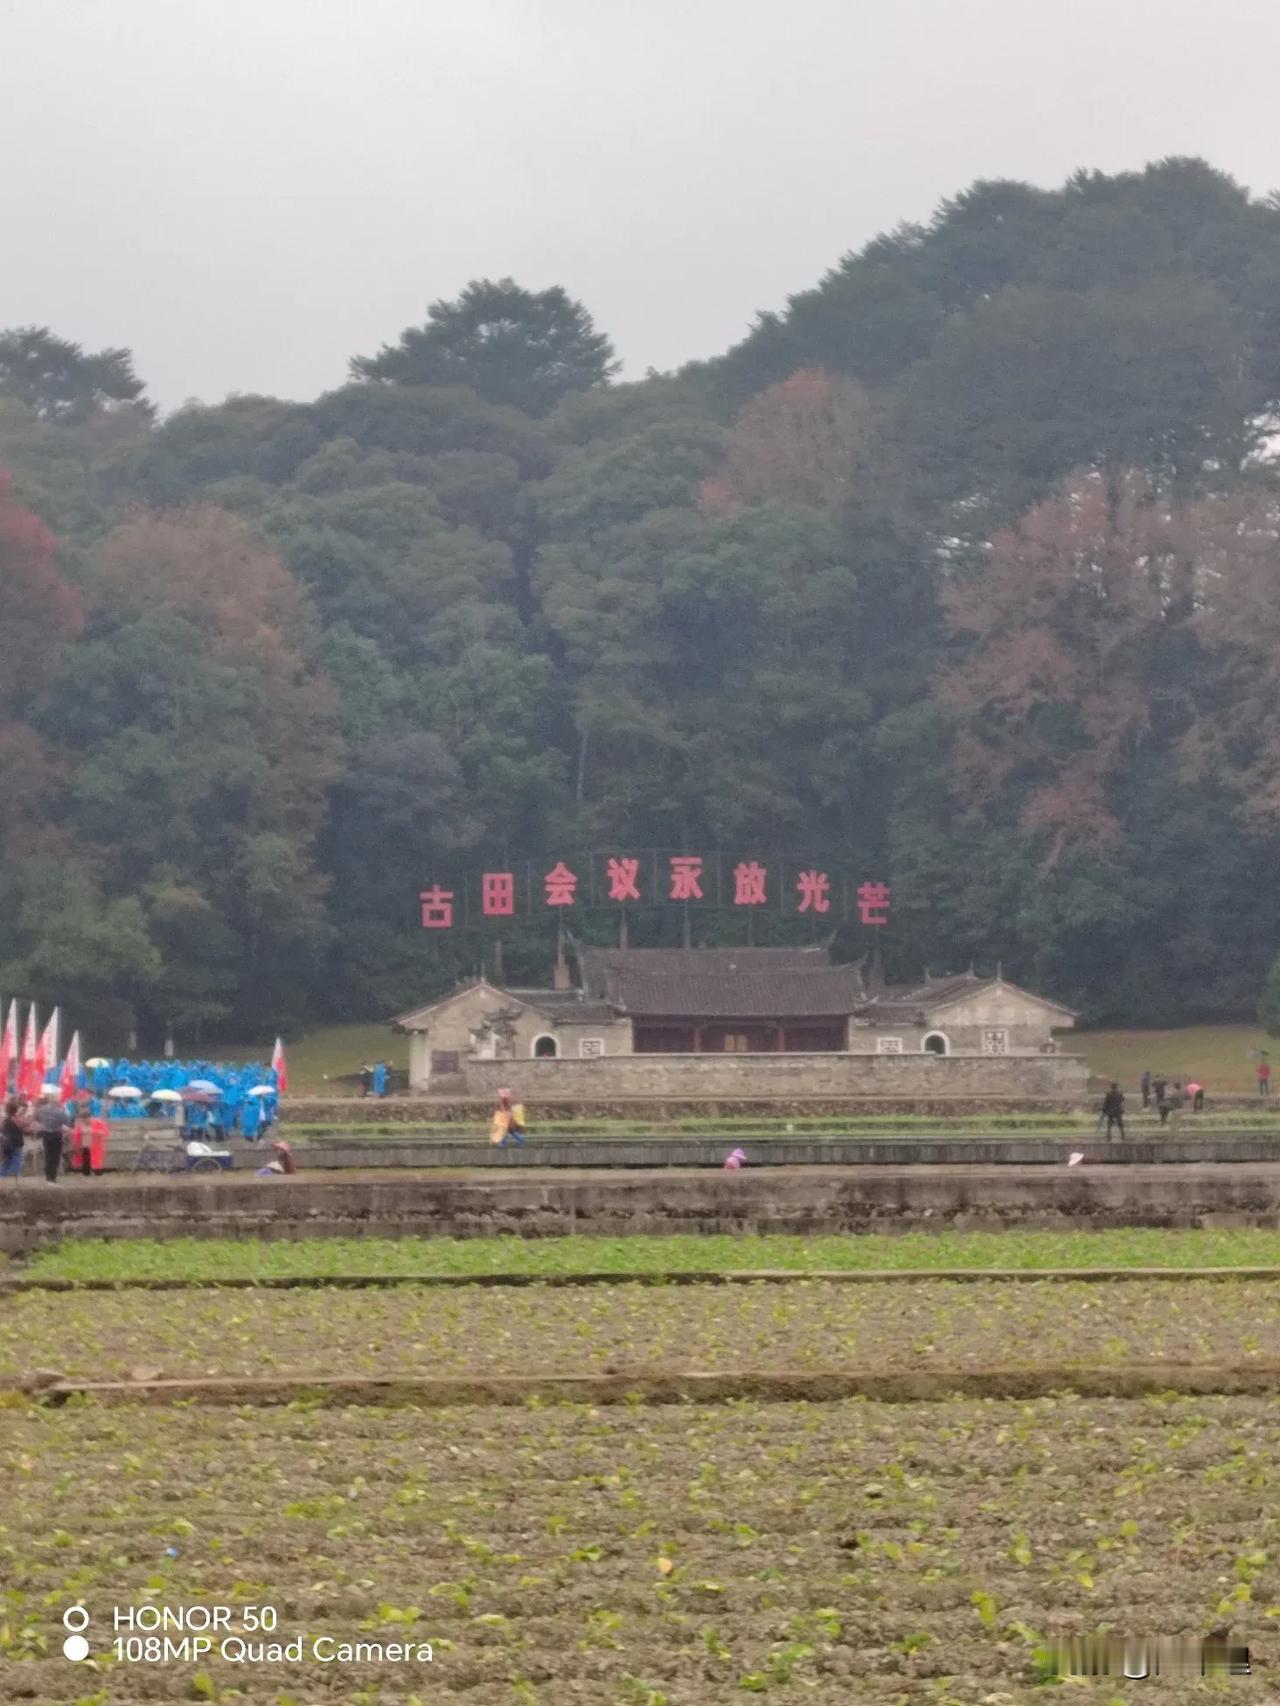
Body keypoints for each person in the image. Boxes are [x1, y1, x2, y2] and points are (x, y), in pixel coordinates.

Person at [34, 1089, 70, 1183]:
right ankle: (52, 1177)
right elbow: (67, 1122)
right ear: (57, 1101)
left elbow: (38, 1117)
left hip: (46, 1134)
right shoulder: (60, 1111)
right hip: (56, 1134)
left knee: (47, 1155)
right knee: (55, 1156)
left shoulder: (43, 1110)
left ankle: (47, 1175)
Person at [0, 1097, 27, 1180]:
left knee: (6, 1161)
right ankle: (14, 1178)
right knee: (16, 1160)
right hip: (17, 1143)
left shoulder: (4, 1119)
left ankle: (1, 1177)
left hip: (6, 1143)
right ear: (16, 1109)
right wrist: (21, 1115)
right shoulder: (16, 1119)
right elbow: (24, 1125)